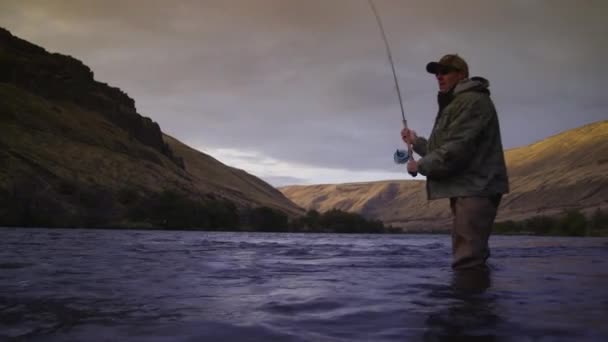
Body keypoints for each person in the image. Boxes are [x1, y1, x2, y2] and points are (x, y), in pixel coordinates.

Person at [401, 54, 509, 271]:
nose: (439, 76)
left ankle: (469, 303)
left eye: (445, 71)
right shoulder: (456, 103)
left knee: (467, 260)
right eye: (436, 73)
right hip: (470, 187)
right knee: (469, 256)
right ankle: (474, 301)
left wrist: (419, 166)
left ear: (461, 75)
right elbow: (445, 146)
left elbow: (457, 148)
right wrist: (416, 142)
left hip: (477, 188)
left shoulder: (472, 102)